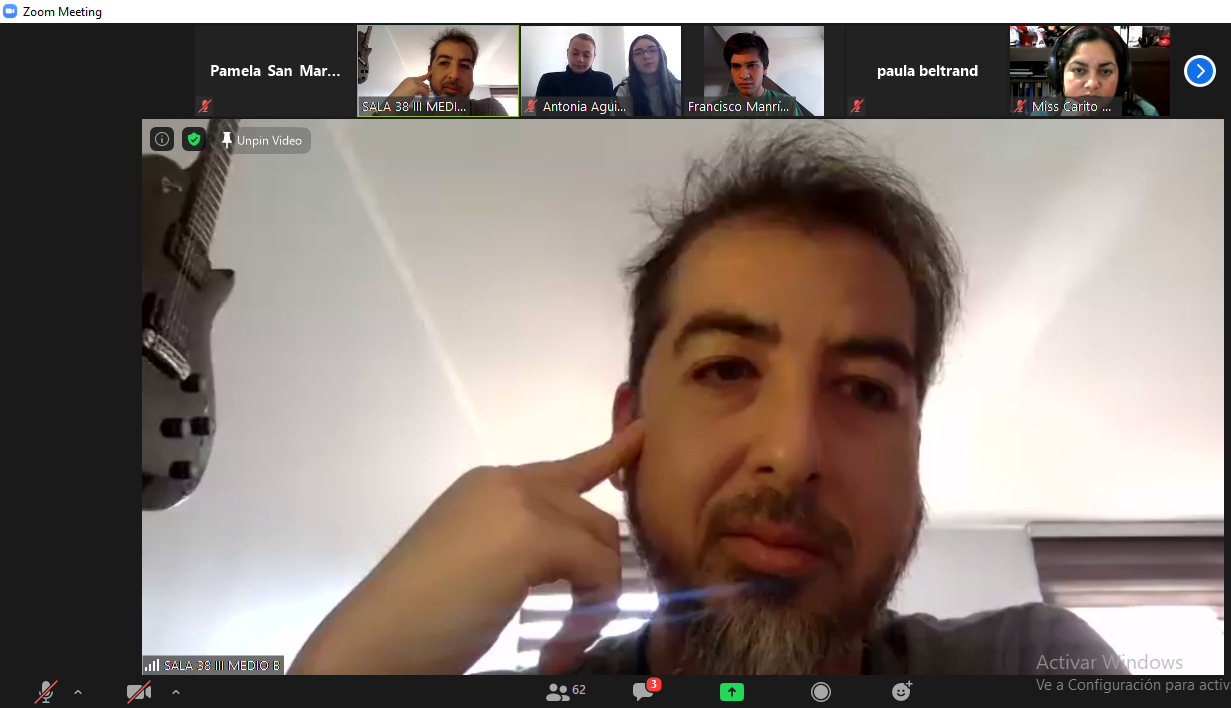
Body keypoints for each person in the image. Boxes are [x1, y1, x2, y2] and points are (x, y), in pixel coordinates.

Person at [288, 126, 1128, 676]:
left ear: (914, 452)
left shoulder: (1030, 663)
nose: (792, 454)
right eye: (726, 370)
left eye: (866, 390)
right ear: (628, 432)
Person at [385, 27, 509, 116]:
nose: (454, 75)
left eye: (464, 66)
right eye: (444, 63)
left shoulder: (489, 110)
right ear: (430, 72)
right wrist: (388, 108)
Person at [1044, 25, 1158, 116]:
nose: (1092, 84)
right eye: (1078, 70)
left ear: (1122, 77)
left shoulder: (1145, 114)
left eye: (1105, 71)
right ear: (1059, 74)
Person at [723, 32, 802, 116]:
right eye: (736, 66)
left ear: (765, 69)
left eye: (752, 65)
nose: (743, 76)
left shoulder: (786, 105)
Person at [615, 34, 682, 117]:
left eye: (652, 50)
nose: (646, 56)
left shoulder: (680, 88)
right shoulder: (623, 92)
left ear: (661, 55)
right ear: (632, 60)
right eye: (638, 53)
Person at [534, 34, 615, 98]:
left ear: (593, 57)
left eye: (586, 55)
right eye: (575, 53)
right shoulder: (549, 81)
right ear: (567, 53)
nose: (580, 59)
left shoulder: (604, 81)